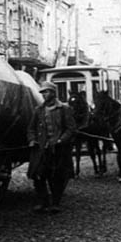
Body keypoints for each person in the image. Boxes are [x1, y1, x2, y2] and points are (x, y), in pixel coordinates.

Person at [27, 81, 77, 214]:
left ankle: (55, 203)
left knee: (57, 177)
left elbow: (71, 128)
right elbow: (31, 128)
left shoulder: (64, 109)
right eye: (42, 92)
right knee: (38, 175)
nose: (44, 95)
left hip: (58, 149)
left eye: (46, 92)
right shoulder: (38, 110)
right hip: (41, 149)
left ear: (53, 93)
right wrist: (32, 140)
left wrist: (61, 140)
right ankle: (43, 202)